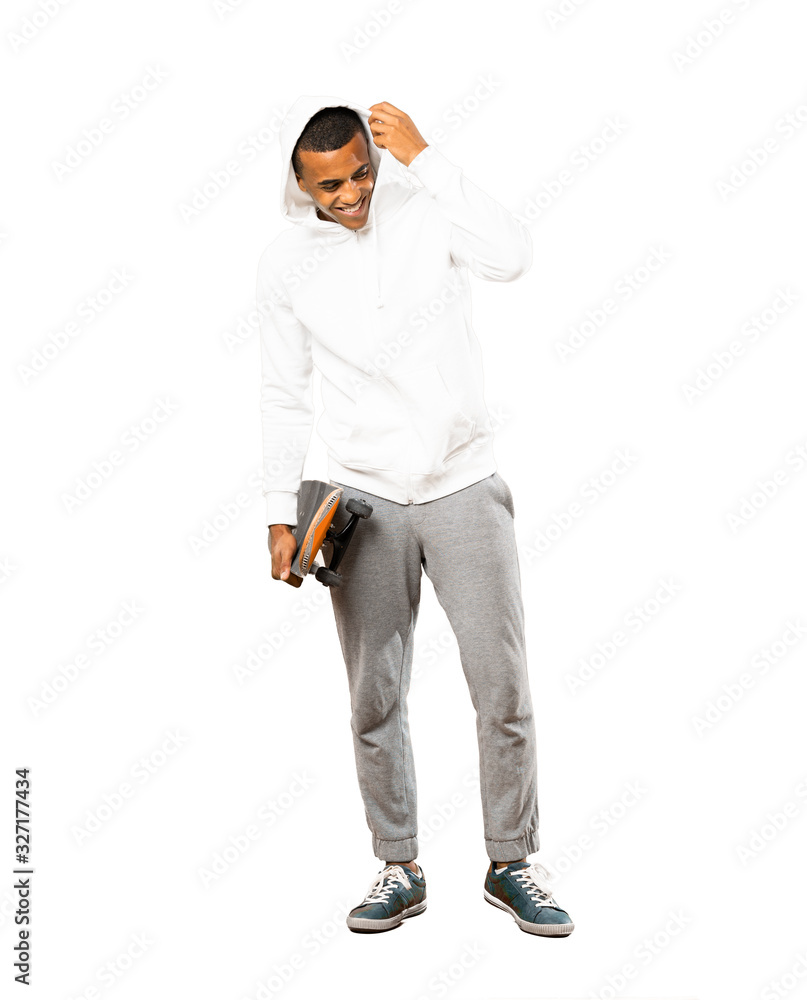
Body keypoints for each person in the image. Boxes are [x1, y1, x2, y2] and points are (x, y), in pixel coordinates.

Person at [257, 94, 573, 937]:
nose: (350, 192)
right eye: (330, 184)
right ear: (301, 185)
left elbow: (512, 257)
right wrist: (277, 512)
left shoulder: (426, 206)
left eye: (361, 172)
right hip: (359, 495)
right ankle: (397, 864)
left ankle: (511, 862)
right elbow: (282, 395)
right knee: (373, 695)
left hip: (463, 483)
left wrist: (428, 158)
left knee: (501, 686)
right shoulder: (286, 261)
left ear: (377, 159)